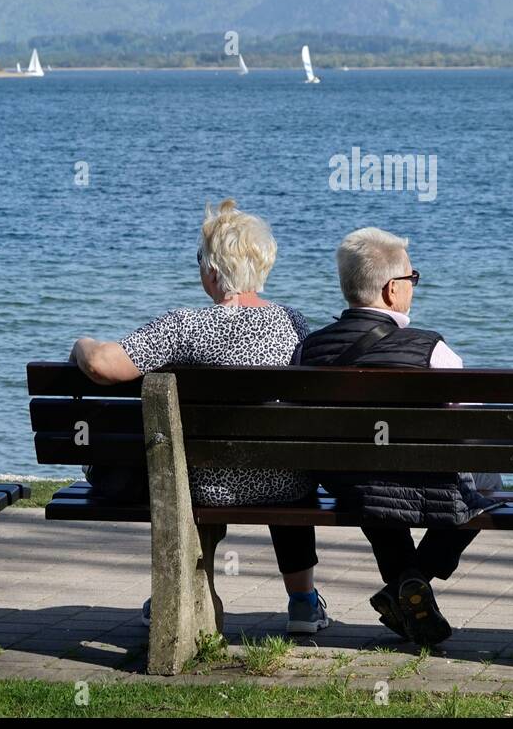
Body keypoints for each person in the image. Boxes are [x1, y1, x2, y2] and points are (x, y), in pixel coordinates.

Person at [69, 199, 329, 635]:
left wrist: (82, 342)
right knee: (275, 455)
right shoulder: (294, 323)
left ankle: (180, 591)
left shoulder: (184, 326)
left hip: (205, 485)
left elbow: (102, 365)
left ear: (211, 271)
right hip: (287, 481)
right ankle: (303, 602)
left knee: (184, 468)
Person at [294, 227, 499, 646]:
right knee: (489, 483)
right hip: (417, 482)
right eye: (412, 279)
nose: (413, 287)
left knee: (373, 487)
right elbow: (471, 425)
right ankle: (412, 581)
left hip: (349, 485)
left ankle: (405, 587)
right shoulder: (431, 350)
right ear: (391, 289)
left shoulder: (309, 350)